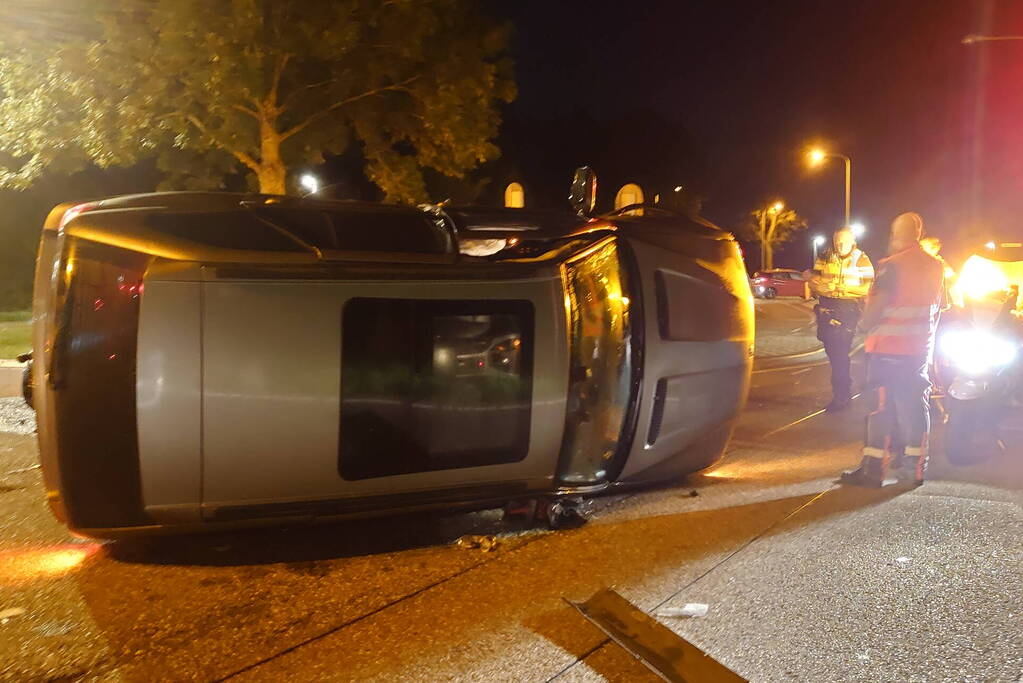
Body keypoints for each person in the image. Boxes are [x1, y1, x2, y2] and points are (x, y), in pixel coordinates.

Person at [841, 212, 945, 487]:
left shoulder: (891, 266)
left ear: (898, 234)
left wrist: (862, 325)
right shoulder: (936, 266)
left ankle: (873, 469)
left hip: (887, 350)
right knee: (914, 407)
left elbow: (875, 312)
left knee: (879, 408)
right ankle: (914, 468)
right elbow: (939, 306)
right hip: (918, 350)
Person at [805, 227, 874, 412]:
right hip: (827, 308)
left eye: (843, 242)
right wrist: (818, 284)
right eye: (837, 242)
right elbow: (815, 282)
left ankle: (842, 395)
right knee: (831, 350)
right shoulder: (825, 256)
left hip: (847, 309)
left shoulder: (861, 259)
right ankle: (843, 390)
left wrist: (838, 289)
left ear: (853, 241)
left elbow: (868, 288)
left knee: (839, 353)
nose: (840, 245)